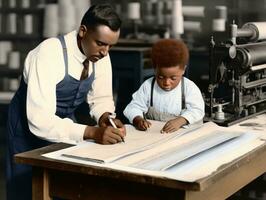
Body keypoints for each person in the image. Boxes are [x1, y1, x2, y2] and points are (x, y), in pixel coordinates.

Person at [6, 4, 126, 200]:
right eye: (101, 43)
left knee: (62, 186)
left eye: (110, 46)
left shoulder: (101, 55)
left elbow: (101, 98)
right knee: (26, 189)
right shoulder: (49, 53)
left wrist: (105, 117)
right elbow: (41, 120)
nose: (105, 52)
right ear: (82, 31)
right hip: (28, 126)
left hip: (64, 124)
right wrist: (92, 132)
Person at [123, 39, 205, 133]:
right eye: (161, 77)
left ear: (183, 70)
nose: (166, 82)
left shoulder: (189, 88)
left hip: (184, 135)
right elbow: (133, 107)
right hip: (156, 135)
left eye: (173, 78)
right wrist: (138, 119)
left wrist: (180, 121)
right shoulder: (148, 86)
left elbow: (197, 110)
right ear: (154, 69)